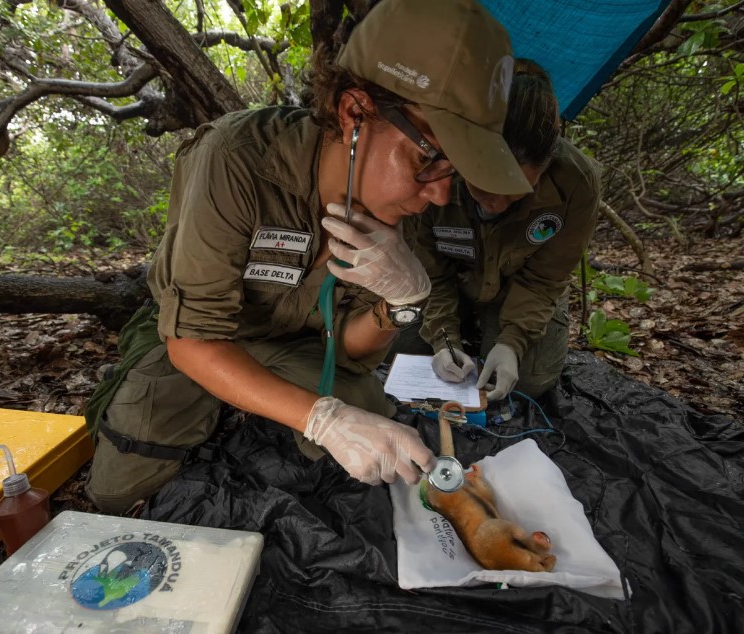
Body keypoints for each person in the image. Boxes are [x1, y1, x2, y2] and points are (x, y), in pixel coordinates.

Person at [83, 0, 532, 514]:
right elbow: (193, 339)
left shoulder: (401, 201)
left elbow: (346, 350)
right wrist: (324, 419)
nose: (438, 194)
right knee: (118, 489)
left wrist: (402, 303)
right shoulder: (236, 159)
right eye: (430, 158)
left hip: (292, 342)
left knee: (370, 418)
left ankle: (261, 405)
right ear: (355, 113)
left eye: (456, 172)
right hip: (196, 337)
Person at [399, 60, 601, 402]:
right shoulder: (434, 168)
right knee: (399, 350)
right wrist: (444, 339)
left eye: (518, 187)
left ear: (545, 166)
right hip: (452, 279)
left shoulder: (575, 185)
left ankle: (496, 331)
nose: (498, 202)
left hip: (521, 285)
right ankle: (463, 327)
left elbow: (545, 279)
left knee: (530, 381)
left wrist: (512, 342)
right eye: (485, 185)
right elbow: (428, 269)